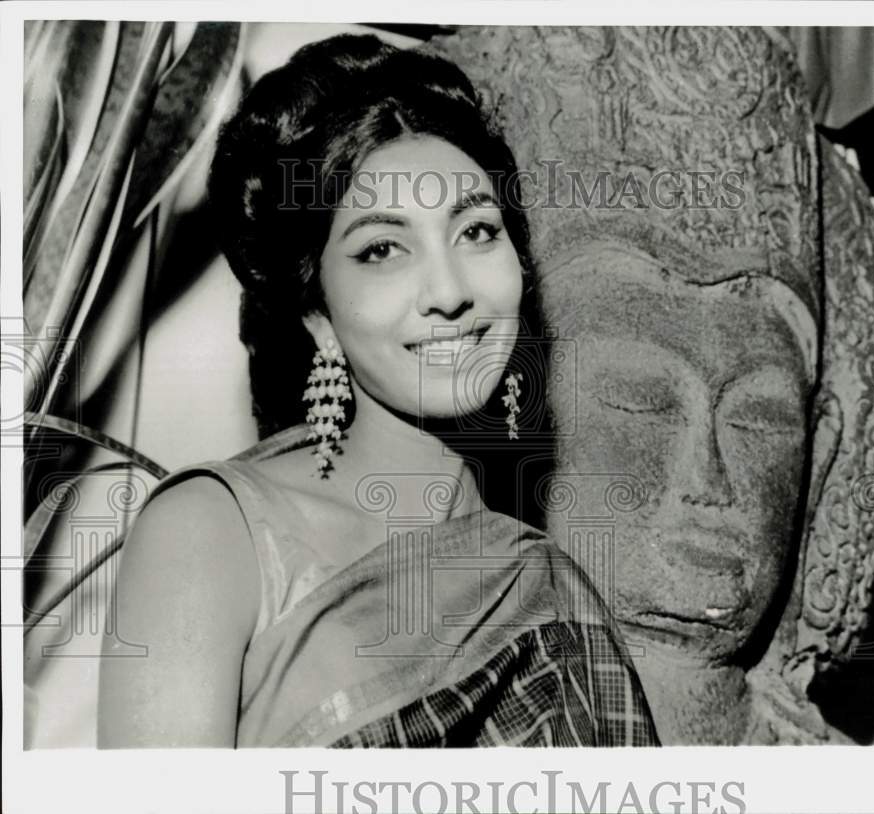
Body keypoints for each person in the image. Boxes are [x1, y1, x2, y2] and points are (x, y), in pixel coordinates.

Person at [97, 33, 658, 748]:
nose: (450, 292)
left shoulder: (543, 582)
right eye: (382, 250)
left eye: (477, 231)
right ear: (319, 316)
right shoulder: (213, 534)